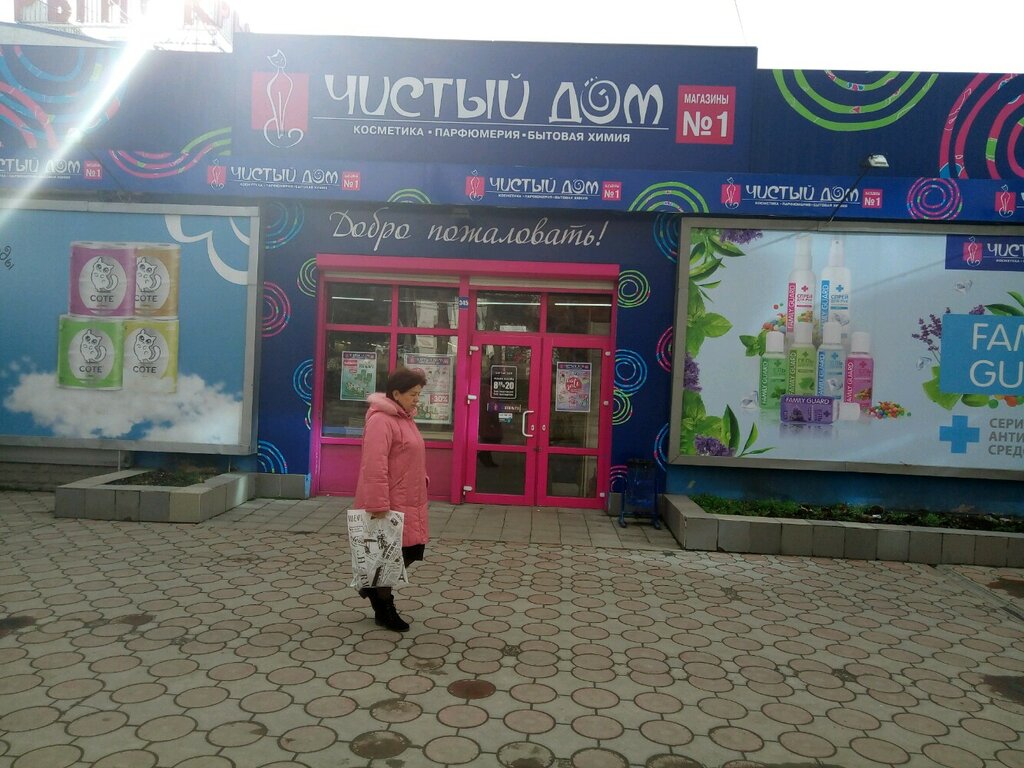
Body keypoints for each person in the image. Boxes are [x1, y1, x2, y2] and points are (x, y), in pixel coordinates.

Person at [353, 367, 429, 632]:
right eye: (413, 394)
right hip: (390, 503)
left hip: (410, 500)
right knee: (390, 558)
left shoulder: (404, 418)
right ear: (396, 394)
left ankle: (371, 587)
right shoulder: (381, 421)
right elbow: (374, 466)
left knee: (410, 552)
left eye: (419, 394)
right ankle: (384, 607)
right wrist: (377, 505)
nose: (417, 399)